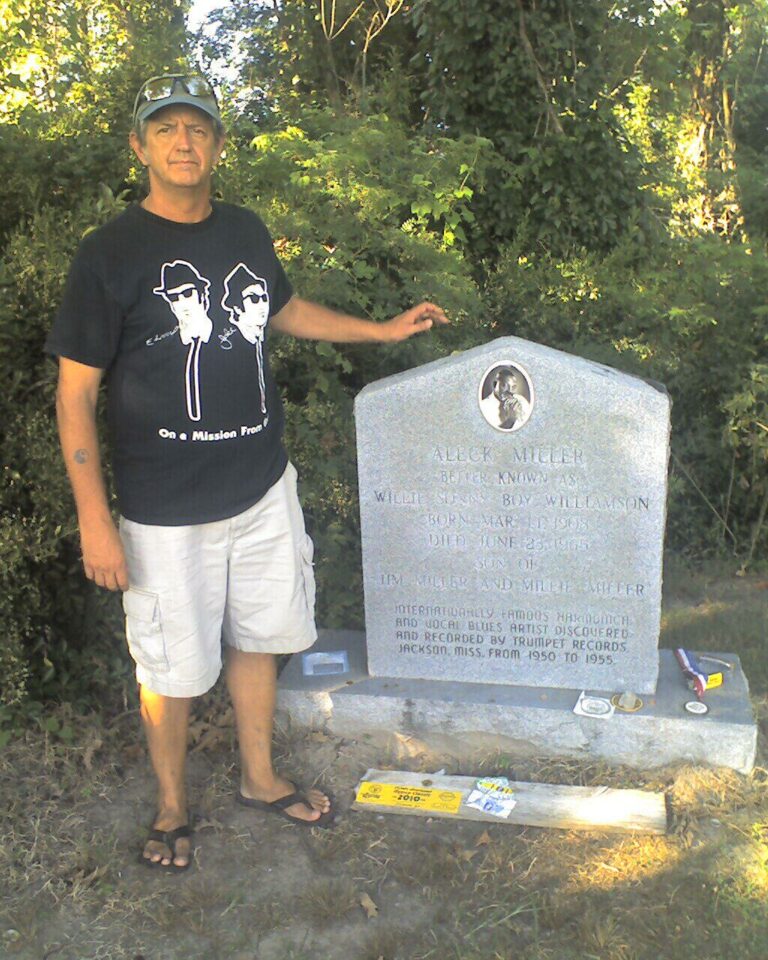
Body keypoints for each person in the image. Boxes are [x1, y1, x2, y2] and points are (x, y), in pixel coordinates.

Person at [47, 73, 447, 872]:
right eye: (165, 131)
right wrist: (95, 516)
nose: (183, 143)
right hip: (165, 509)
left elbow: (283, 312)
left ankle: (260, 779)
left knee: (260, 640)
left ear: (219, 146)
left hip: (262, 486)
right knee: (171, 665)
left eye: (198, 130)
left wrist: (379, 330)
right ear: (140, 147)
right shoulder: (109, 254)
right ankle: (171, 806)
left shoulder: (246, 231)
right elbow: (75, 393)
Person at [479, 366, 531, 430]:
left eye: (513, 387)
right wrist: (510, 420)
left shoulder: (522, 401)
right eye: (504, 385)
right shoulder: (484, 406)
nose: (510, 390)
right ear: (495, 385)